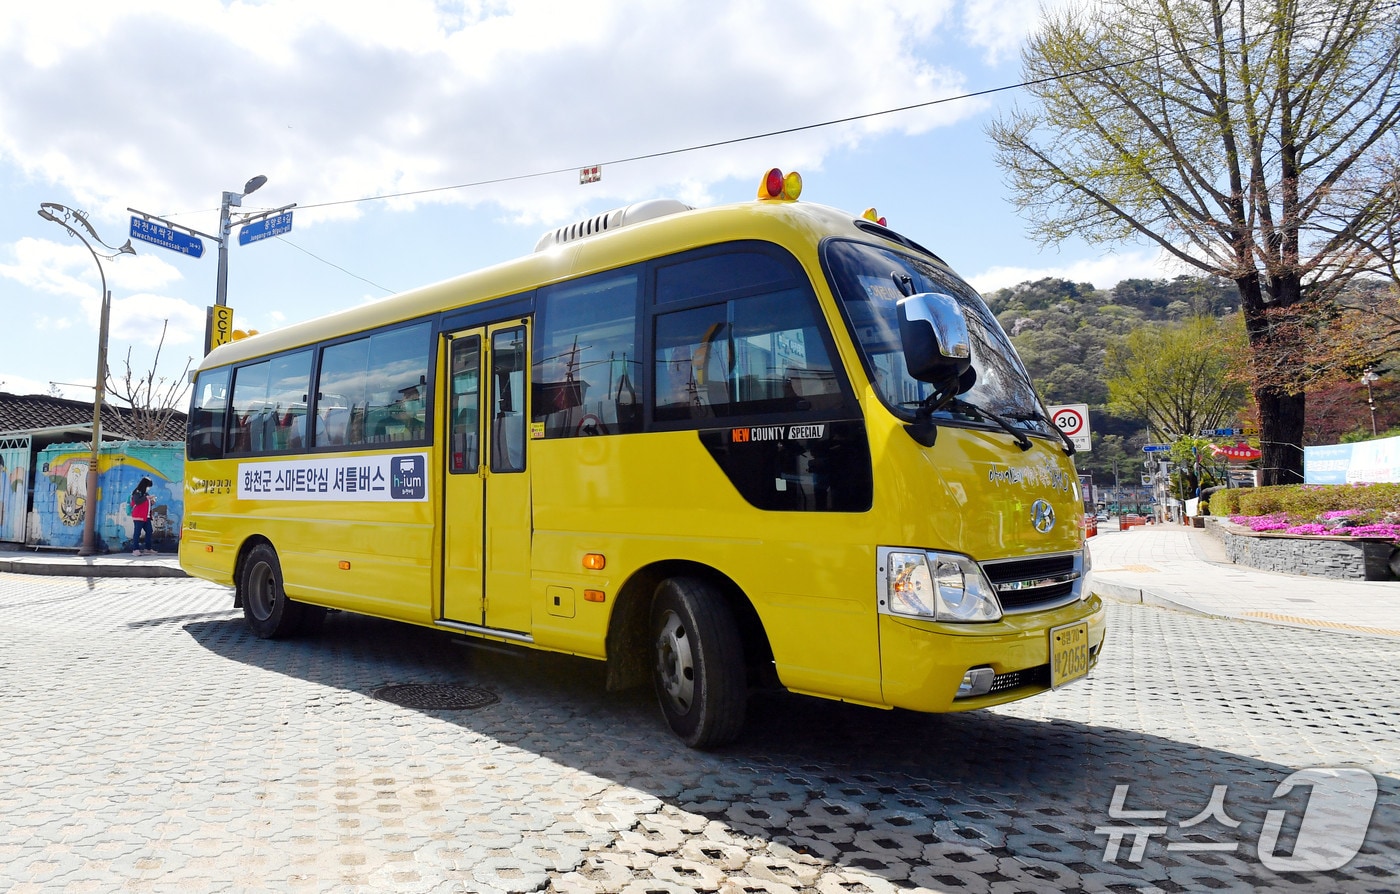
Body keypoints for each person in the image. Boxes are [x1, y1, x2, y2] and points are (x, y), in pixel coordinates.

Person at [130, 477, 154, 556]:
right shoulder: (137, 492)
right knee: (137, 533)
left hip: (146, 516)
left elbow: (145, 503)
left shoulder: (145, 493)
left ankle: (148, 548)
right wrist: (147, 498)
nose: (149, 488)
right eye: (148, 486)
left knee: (149, 531)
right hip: (138, 516)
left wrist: (152, 501)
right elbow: (137, 501)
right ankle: (135, 549)